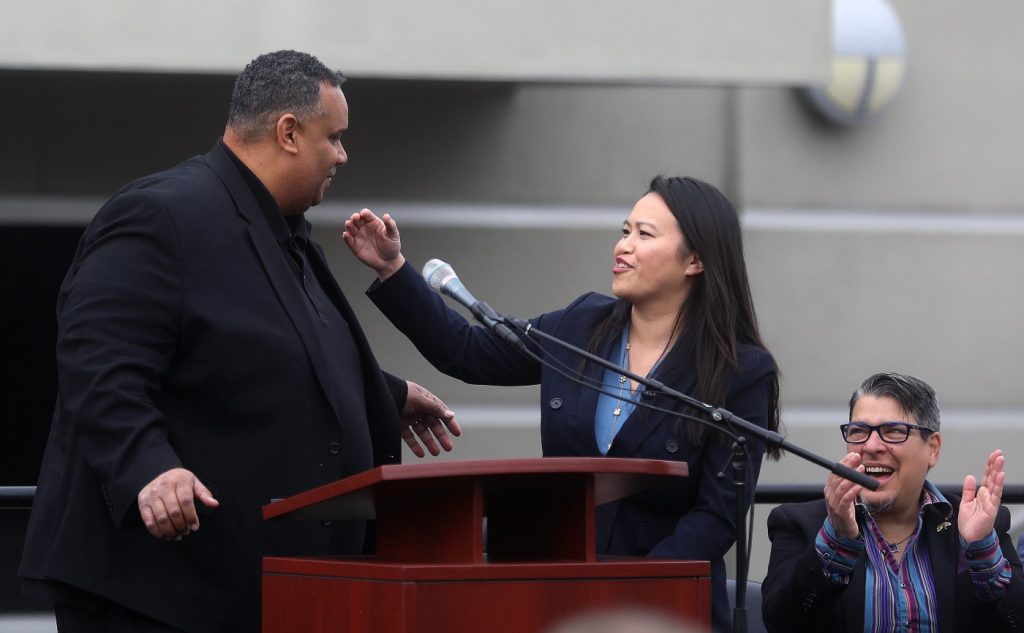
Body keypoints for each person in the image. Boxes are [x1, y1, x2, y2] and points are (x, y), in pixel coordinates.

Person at [19, 50, 460, 633]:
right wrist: (148, 466)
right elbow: (97, 359)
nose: (343, 155)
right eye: (335, 138)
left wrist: (382, 394)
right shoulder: (162, 214)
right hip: (159, 595)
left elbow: (261, 351)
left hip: (259, 595)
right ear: (289, 132)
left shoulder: (287, 232)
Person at [343, 175, 782, 632]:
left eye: (644, 235)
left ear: (695, 260)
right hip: (558, 594)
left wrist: (629, 589)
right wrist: (393, 269)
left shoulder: (741, 370)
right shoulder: (581, 325)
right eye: (624, 230)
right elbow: (467, 352)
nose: (623, 246)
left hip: (665, 605)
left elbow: (716, 516)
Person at [762, 372, 1023, 632]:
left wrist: (982, 551)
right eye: (859, 432)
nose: (872, 446)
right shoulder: (799, 524)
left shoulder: (971, 525)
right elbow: (780, 623)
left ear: (932, 448)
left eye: (894, 432)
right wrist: (837, 538)